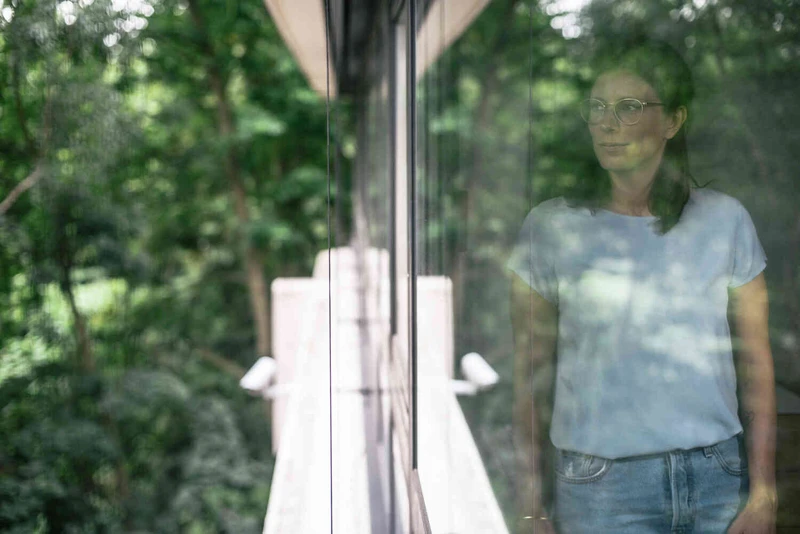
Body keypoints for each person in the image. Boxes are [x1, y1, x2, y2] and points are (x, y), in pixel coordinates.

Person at [509, 36, 777, 534]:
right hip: (602, 490)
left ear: (673, 121)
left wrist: (763, 494)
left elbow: (758, 366)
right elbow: (530, 375)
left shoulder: (726, 221)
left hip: (720, 481)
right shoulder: (551, 227)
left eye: (629, 107)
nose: (606, 123)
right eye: (597, 107)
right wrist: (529, 504)